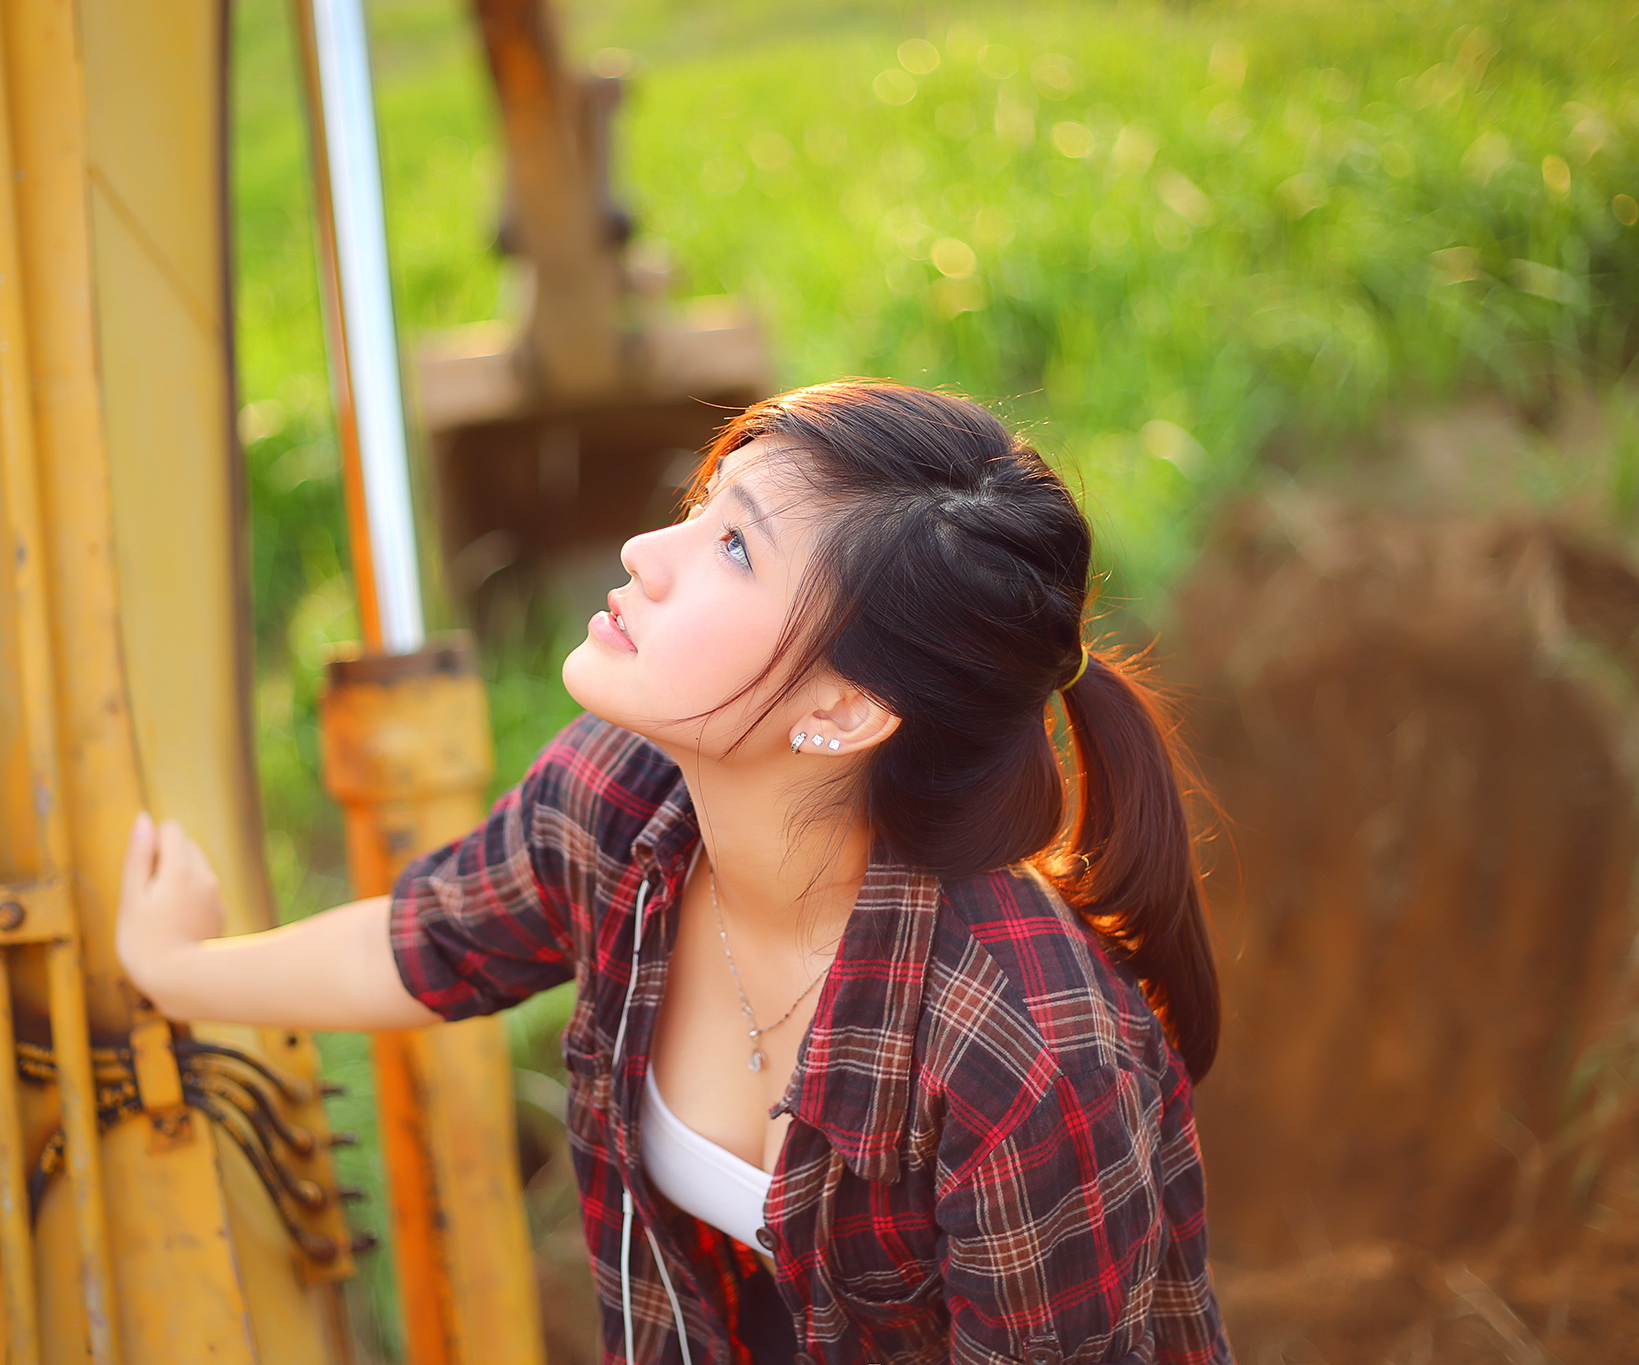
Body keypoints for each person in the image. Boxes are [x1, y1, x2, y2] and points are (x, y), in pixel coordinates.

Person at [117, 380, 1232, 1365]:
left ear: (843, 709)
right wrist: (179, 972)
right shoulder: (625, 797)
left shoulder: (1024, 1057)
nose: (646, 553)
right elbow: (429, 943)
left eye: (735, 549)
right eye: (703, 509)